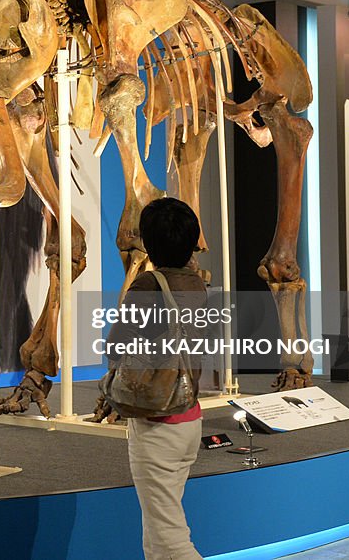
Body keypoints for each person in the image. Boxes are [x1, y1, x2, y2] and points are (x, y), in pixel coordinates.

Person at [110, 197, 205, 560]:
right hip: (188, 420)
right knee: (156, 531)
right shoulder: (195, 284)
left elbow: (116, 345)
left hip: (158, 424)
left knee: (171, 537)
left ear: (148, 243)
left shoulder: (147, 287)